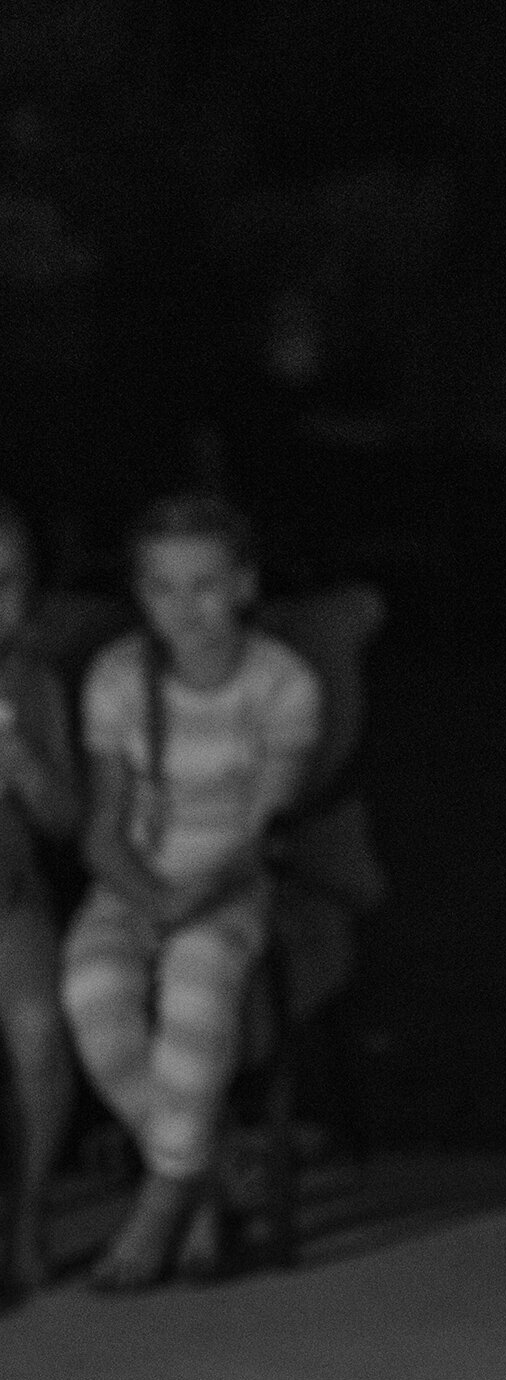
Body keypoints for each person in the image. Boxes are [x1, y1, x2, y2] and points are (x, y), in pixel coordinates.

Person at [64, 493, 323, 1292]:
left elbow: (262, 832)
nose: (186, 607)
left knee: (195, 986)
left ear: (244, 584)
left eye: (205, 584)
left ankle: (164, 1199)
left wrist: (191, 903)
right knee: (92, 989)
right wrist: (147, 898)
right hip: (137, 880)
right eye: (164, 587)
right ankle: (201, 1171)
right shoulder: (119, 677)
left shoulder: (281, 682)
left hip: (230, 881)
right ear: (141, 593)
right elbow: (102, 828)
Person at [0, 499, 79, 1297]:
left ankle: (27, 1216)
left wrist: (23, 764)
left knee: (41, 1038)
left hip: (10, 898)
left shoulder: (31, 682)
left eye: (4, 582)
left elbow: (65, 819)